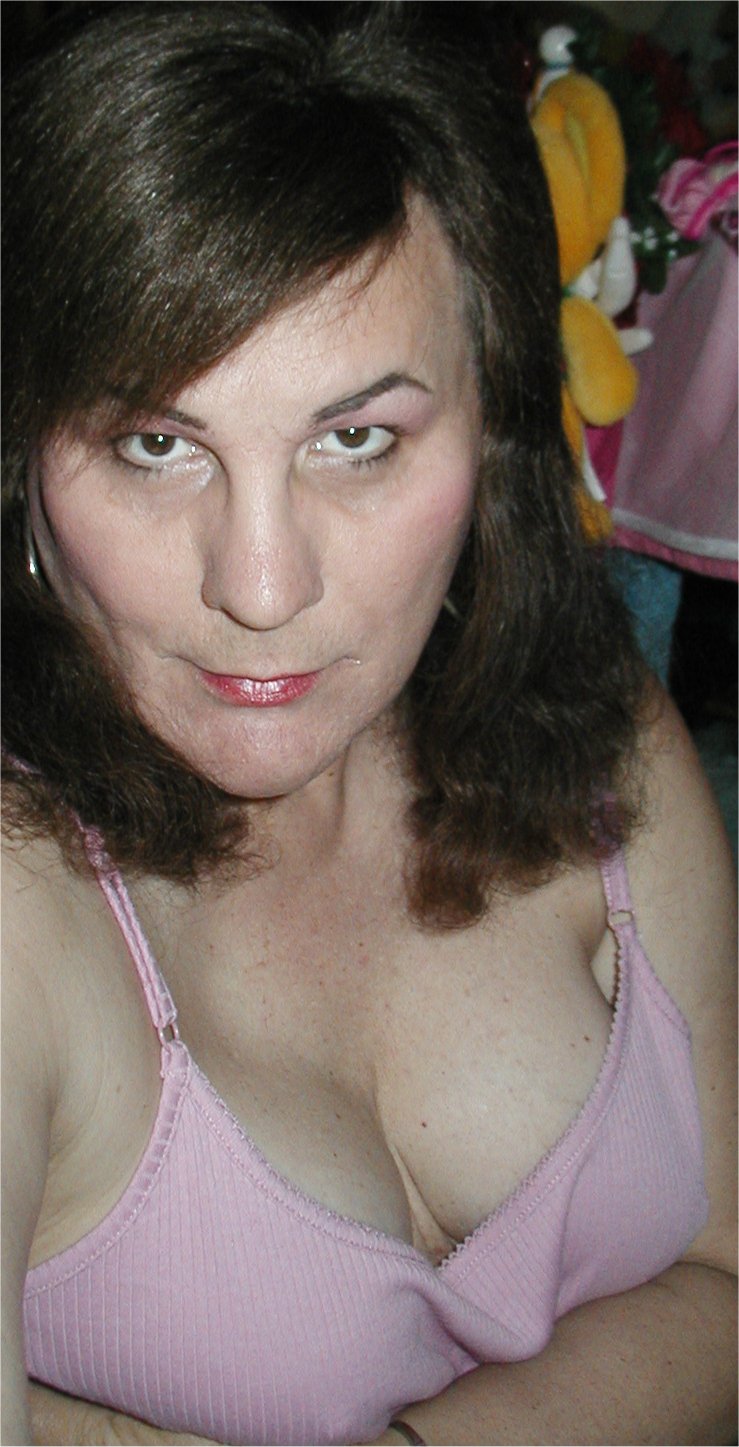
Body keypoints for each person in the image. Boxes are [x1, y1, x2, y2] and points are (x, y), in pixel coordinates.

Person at [2, 4, 735, 1445]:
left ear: (494, 422)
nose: (262, 587)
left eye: (356, 439)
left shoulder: (591, 723)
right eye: (157, 443)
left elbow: (727, 1271)